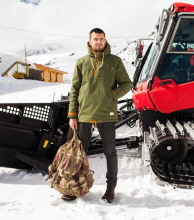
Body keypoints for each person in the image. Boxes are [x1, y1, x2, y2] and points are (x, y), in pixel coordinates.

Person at [67, 28, 132, 203]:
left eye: (101, 39)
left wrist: (111, 95)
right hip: (84, 114)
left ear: (105, 40)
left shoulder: (114, 61)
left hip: (106, 114)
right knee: (79, 153)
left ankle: (111, 187)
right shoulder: (81, 62)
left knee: (110, 152)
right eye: (95, 39)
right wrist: (73, 115)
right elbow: (74, 90)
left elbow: (126, 84)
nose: (99, 42)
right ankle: (76, 187)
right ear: (90, 42)